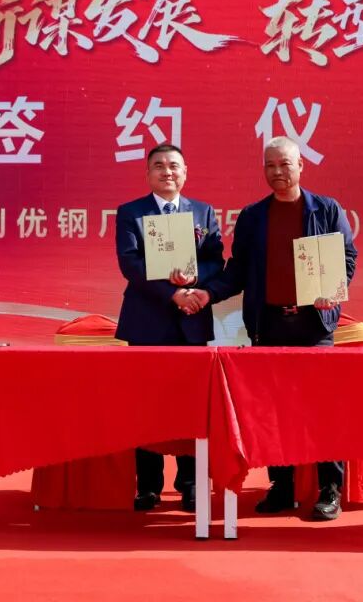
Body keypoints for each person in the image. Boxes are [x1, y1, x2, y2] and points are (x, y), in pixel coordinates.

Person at [201, 136, 357, 520]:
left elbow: (347, 257)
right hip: (268, 323)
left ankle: (330, 489)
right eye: (270, 166)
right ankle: (282, 486)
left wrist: (334, 290)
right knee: (273, 411)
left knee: (322, 409)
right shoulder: (253, 217)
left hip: (313, 325)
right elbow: (237, 271)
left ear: (300, 165)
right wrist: (207, 293)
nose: (277, 172)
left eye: (284, 164)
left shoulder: (326, 209)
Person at [114, 143, 224, 513]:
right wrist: (171, 293)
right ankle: (148, 485)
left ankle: (190, 484)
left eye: (174, 165)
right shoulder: (131, 212)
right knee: (146, 406)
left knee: (191, 407)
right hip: (147, 321)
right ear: (148, 174)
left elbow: (215, 260)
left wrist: (194, 279)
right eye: (159, 166)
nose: (167, 172)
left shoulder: (203, 212)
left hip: (191, 320)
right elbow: (130, 264)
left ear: (185, 172)